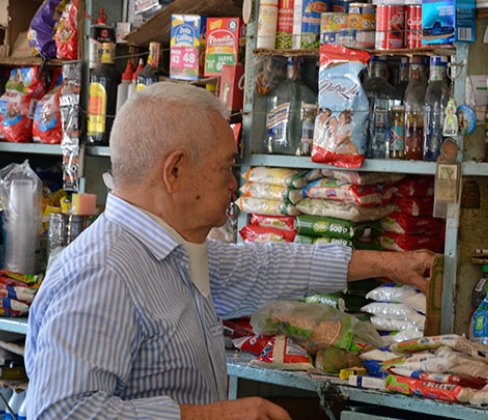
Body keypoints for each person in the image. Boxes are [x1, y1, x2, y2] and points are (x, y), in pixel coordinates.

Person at [25, 82, 435, 419]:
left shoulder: (176, 254)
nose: (234, 183)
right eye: (226, 167)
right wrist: (216, 416)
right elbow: (61, 411)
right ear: (176, 171)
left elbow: (266, 267)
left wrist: (391, 265)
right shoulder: (104, 272)